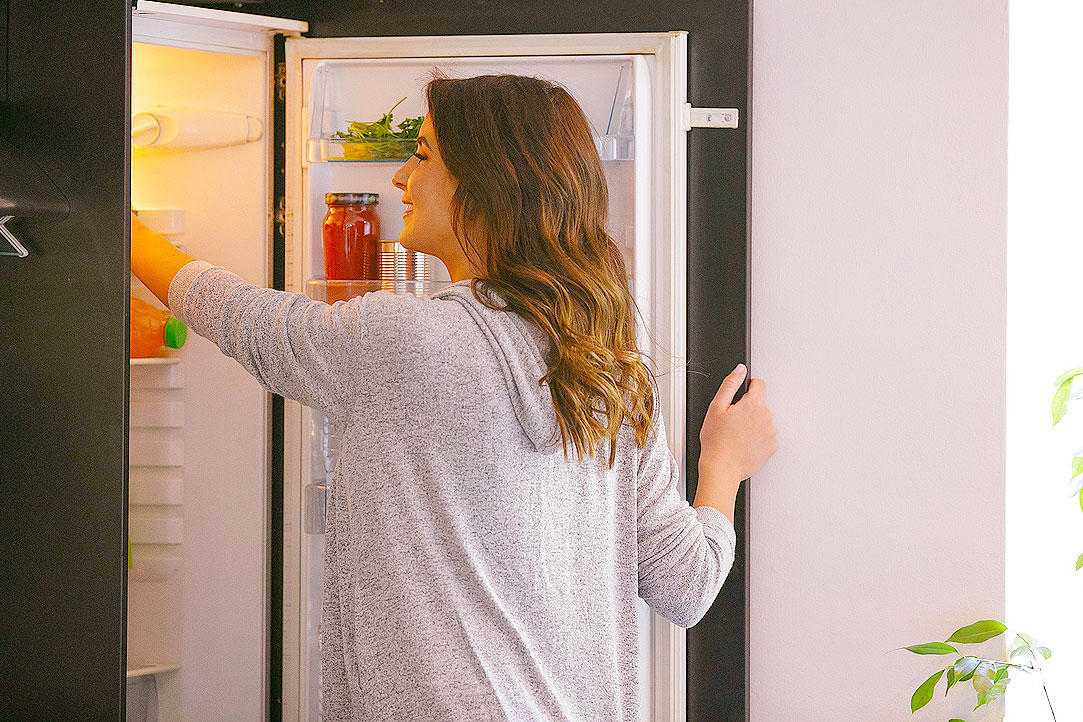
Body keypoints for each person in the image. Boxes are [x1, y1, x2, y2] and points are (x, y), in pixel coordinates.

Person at [130, 73, 776, 721]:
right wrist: (722, 464)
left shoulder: (413, 340)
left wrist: (125, 228)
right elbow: (685, 585)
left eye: (422, 155)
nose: (399, 179)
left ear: (490, 182)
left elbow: (251, 324)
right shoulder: (607, 362)